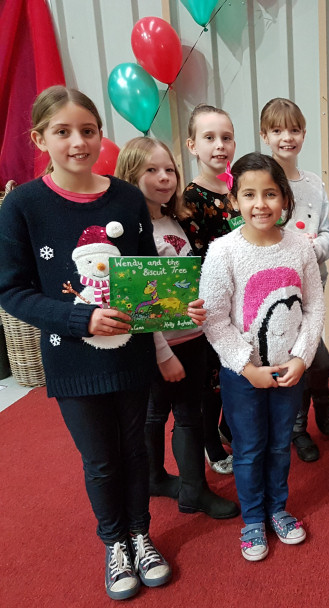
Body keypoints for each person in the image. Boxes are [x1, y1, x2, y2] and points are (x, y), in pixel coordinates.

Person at [0, 86, 179, 600]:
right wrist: (80, 317)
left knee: (136, 449)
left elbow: (147, 275)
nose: (78, 142)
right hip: (72, 360)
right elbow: (11, 290)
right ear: (40, 139)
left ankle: (140, 533)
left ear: (101, 134)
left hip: (131, 356)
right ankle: (114, 542)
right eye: (63, 132)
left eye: (88, 130)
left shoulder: (127, 197)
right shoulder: (23, 206)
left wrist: (173, 306)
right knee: (100, 458)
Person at [199, 152, 324, 560]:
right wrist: (247, 367)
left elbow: (314, 307)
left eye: (270, 194)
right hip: (244, 377)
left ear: (284, 198)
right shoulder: (222, 251)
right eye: (249, 194)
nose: (260, 204)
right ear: (234, 199)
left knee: (279, 445)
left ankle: (277, 509)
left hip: (290, 371)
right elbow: (215, 319)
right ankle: (253, 518)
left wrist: (302, 357)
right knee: (250, 448)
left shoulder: (300, 247)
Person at [115, 137, 239, 520]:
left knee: (187, 411)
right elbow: (135, 297)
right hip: (158, 344)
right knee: (159, 412)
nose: (164, 177)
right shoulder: (129, 230)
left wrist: (198, 306)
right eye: (151, 170)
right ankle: (160, 479)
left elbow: (182, 281)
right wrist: (162, 350)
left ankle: (189, 488)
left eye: (169, 169)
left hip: (190, 335)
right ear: (130, 175)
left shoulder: (173, 220)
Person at [259, 97, 329, 463]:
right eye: (277, 130)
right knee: (296, 361)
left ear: (304, 134)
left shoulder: (315, 185)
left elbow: (328, 234)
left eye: (293, 130)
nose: (286, 137)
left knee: (318, 361)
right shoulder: (260, 182)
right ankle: (298, 428)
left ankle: (322, 401)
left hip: (311, 287)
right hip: (272, 294)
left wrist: (313, 248)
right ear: (265, 136)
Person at [179, 103, 239, 475]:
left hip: (243, 297)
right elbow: (194, 257)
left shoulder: (239, 189)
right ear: (192, 145)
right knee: (212, 378)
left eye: (226, 137)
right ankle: (210, 442)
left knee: (237, 367)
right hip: (212, 302)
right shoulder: (191, 199)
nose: (219, 145)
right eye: (210, 138)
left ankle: (228, 427)